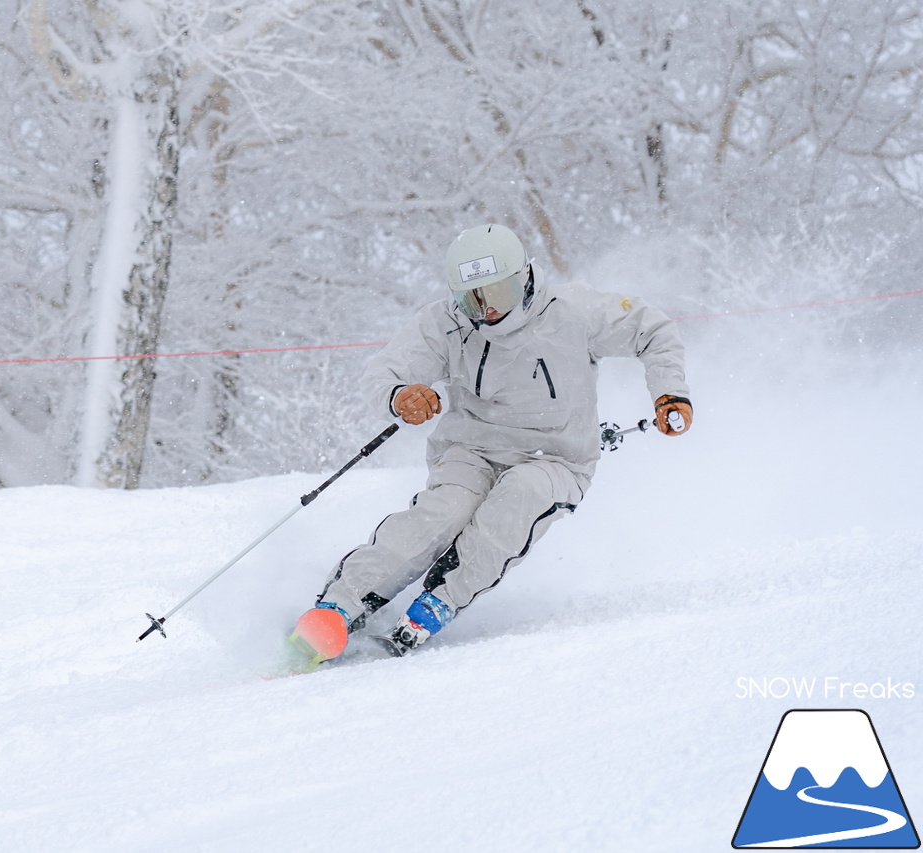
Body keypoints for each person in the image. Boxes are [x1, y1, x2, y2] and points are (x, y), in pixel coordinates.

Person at [290, 223, 693, 662]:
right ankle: (338, 608)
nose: (486, 310)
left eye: (496, 293)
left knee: (520, 496)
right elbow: (384, 371)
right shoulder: (445, 324)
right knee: (444, 512)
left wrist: (669, 391)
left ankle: (440, 600)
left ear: (523, 278)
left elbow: (652, 329)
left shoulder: (573, 312)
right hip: (471, 451)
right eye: (472, 298)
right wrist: (400, 395)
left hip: (557, 457)